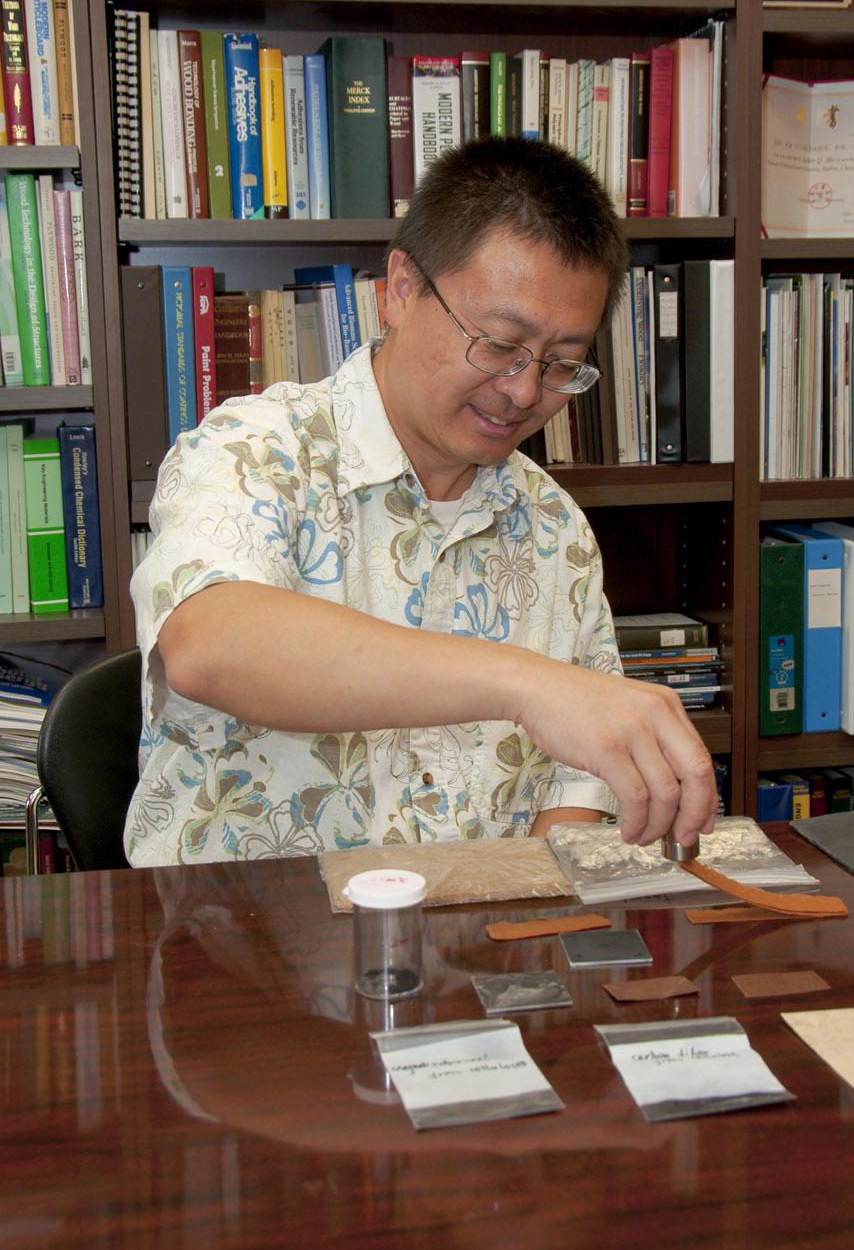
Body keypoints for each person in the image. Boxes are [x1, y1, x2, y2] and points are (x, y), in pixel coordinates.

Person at [126, 135, 716, 866]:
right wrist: (527, 686)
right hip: (246, 949)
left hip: (472, 950)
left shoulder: (551, 522)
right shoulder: (255, 451)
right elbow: (207, 644)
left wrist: (522, 912)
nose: (525, 392)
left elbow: (578, 781)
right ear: (401, 289)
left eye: (562, 365)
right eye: (500, 344)